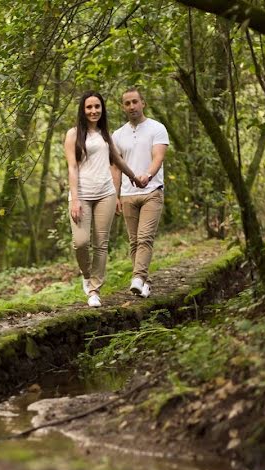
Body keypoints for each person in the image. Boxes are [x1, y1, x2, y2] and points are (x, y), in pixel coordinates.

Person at [64, 90, 141, 308]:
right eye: (89, 107)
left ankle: (94, 290)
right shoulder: (73, 135)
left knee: (101, 244)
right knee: (80, 242)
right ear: (83, 109)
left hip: (105, 194)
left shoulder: (106, 134)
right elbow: (72, 167)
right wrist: (76, 199)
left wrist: (134, 177)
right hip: (81, 195)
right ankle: (86, 275)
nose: (93, 111)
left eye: (97, 107)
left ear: (102, 109)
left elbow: (117, 159)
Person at [111, 87, 170, 299]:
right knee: (134, 241)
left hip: (152, 191)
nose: (131, 106)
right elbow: (116, 168)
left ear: (143, 103)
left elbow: (158, 157)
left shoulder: (157, 128)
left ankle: (137, 278)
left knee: (145, 238)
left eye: (135, 102)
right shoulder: (117, 135)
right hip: (127, 195)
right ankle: (144, 282)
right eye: (127, 103)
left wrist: (148, 174)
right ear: (123, 107)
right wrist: (115, 195)